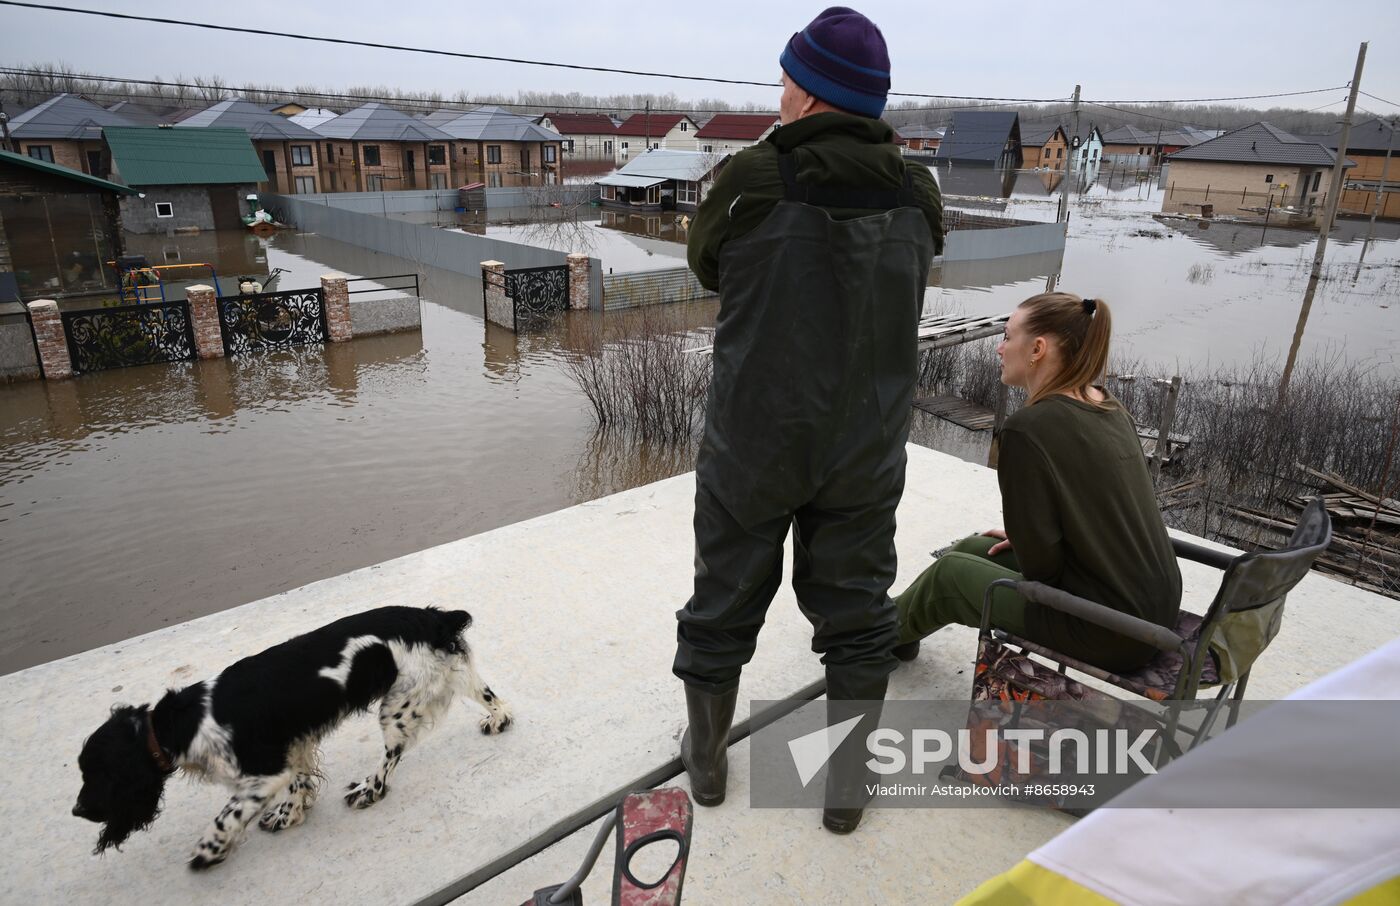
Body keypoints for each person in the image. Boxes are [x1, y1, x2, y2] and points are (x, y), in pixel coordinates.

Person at [672, 6, 944, 834]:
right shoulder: (917, 189)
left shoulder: (757, 177)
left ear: (811, 90)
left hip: (756, 439)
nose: (780, 90)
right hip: (866, 441)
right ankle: (845, 789)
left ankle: (710, 763)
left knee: (724, 601)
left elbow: (705, 260)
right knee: (858, 612)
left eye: (788, 77)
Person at [893, 292, 1182, 674]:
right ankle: (899, 629)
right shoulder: (1107, 405)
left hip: (1109, 631)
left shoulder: (1027, 431)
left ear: (1038, 348)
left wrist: (1032, 542)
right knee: (975, 547)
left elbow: (1042, 569)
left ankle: (869, 636)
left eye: (1008, 337)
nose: (999, 348)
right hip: (1151, 609)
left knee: (952, 575)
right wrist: (1029, 538)